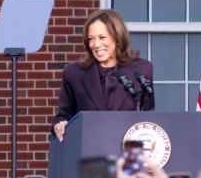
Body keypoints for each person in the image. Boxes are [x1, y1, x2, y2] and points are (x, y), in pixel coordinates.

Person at [52, 8, 154, 141]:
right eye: (91, 39)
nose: (96, 44)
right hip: (89, 152)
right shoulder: (74, 73)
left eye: (102, 37)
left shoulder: (142, 70)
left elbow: (150, 120)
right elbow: (63, 116)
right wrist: (60, 125)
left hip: (127, 153)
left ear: (117, 37)